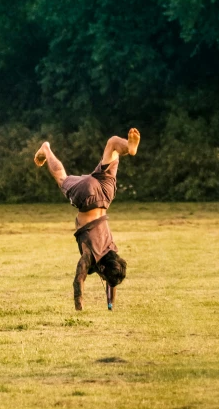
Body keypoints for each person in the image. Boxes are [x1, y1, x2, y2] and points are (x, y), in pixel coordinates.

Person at [34, 128, 140, 310]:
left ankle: (127, 148)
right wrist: (79, 304)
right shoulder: (91, 256)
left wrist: (110, 306)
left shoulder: (111, 250)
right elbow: (79, 278)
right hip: (86, 196)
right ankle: (46, 149)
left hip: (106, 194)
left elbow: (111, 277)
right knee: (61, 178)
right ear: (103, 271)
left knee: (112, 144)